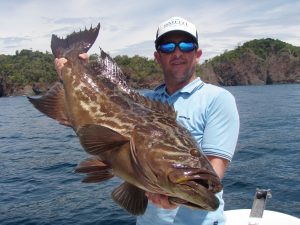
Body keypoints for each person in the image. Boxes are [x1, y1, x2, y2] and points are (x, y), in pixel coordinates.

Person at [54, 16, 239, 225]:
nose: (177, 52)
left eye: (186, 45)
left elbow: (216, 168)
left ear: (197, 54)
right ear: (157, 57)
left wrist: (173, 198)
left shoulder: (217, 99)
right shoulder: (146, 101)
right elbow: (91, 131)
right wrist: (72, 75)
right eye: (168, 46)